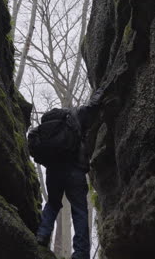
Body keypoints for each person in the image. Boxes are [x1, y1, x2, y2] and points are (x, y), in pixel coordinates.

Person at [34, 85, 107, 259]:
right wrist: (101, 89)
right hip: (74, 170)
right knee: (80, 210)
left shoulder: (44, 127)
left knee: (52, 203)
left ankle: (42, 236)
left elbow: (34, 146)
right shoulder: (73, 115)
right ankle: (81, 253)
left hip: (53, 171)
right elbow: (93, 107)